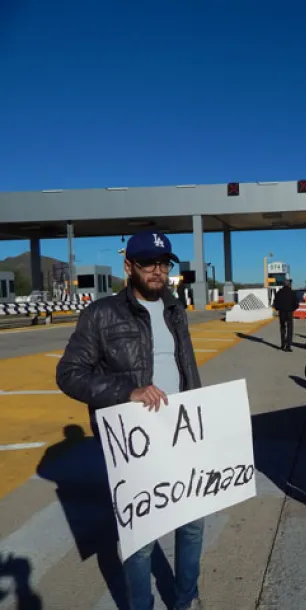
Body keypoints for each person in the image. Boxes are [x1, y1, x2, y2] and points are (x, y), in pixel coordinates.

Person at [56, 230, 205, 610]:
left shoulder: (175, 309)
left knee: (192, 525)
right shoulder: (101, 314)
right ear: (129, 266)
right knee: (140, 542)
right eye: (148, 263)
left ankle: (185, 600)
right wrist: (127, 392)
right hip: (134, 444)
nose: (157, 271)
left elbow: (186, 367)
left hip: (181, 433)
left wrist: (203, 417)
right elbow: (69, 373)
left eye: (163, 264)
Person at [272, 279, 299, 351]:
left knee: (282, 328)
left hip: (282, 312)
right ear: (289, 284)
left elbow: (275, 303)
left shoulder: (279, 293)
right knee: (290, 329)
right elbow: (296, 304)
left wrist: (278, 309)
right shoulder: (292, 293)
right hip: (289, 312)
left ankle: (282, 345)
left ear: (283, 285)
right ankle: (288, 346)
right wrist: (292, 309)